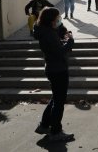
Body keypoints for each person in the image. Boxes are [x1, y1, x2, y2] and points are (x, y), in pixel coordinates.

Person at [33, 7, 74, 142]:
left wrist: (63, 33)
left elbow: (59, 32)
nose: (59, 20)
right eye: (57, 18)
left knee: (55, 98)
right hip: (58, 69)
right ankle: (56, 132)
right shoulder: (49, 33)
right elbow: (60, 52)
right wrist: (70, 42)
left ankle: (44, 125)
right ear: (51, 19)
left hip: (52, 67)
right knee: (59, 101)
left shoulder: (44, 30)